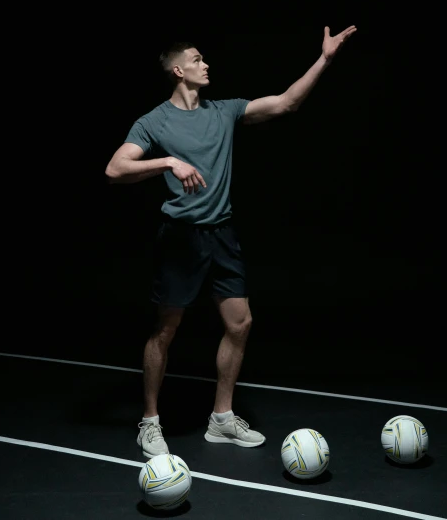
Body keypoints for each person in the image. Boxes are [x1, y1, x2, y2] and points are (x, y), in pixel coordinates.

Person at [105, 24, 357, 458]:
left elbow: (286, 103)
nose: (207, 64)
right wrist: (168, 161)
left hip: (222, 233)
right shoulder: (153, 122)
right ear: (179, 71)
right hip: (180, 239)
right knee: (166, 329)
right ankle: (149, 422)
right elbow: (114, 169)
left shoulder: (223, 111)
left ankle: (221, 419)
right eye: (199, 59)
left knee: (240, 323)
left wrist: (325, 59)